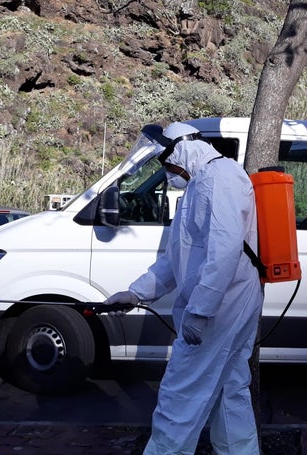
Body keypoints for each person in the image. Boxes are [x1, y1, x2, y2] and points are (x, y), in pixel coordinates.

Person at [104, 121, 264, 454]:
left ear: (182, 149)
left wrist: (201, 312)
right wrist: (136, 292)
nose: (166, 171)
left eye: (166, 161)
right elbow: (178, 257)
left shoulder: (220, 179)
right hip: (227, 304)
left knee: (181, 394)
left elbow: (224, 251)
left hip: (222, 307)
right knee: (230, 390)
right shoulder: (201, 183)